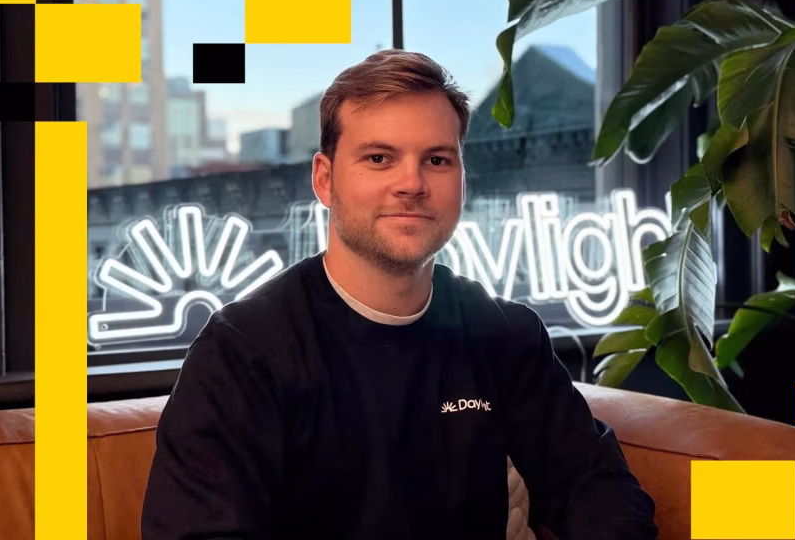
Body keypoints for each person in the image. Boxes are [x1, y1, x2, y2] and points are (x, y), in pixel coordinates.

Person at [141, 49, 658, 540]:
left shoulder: (504, 334)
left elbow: (597, 486)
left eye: (437, 160)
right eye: (379, 158)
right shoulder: (243, 351)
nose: (411, 183)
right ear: (324, 180)